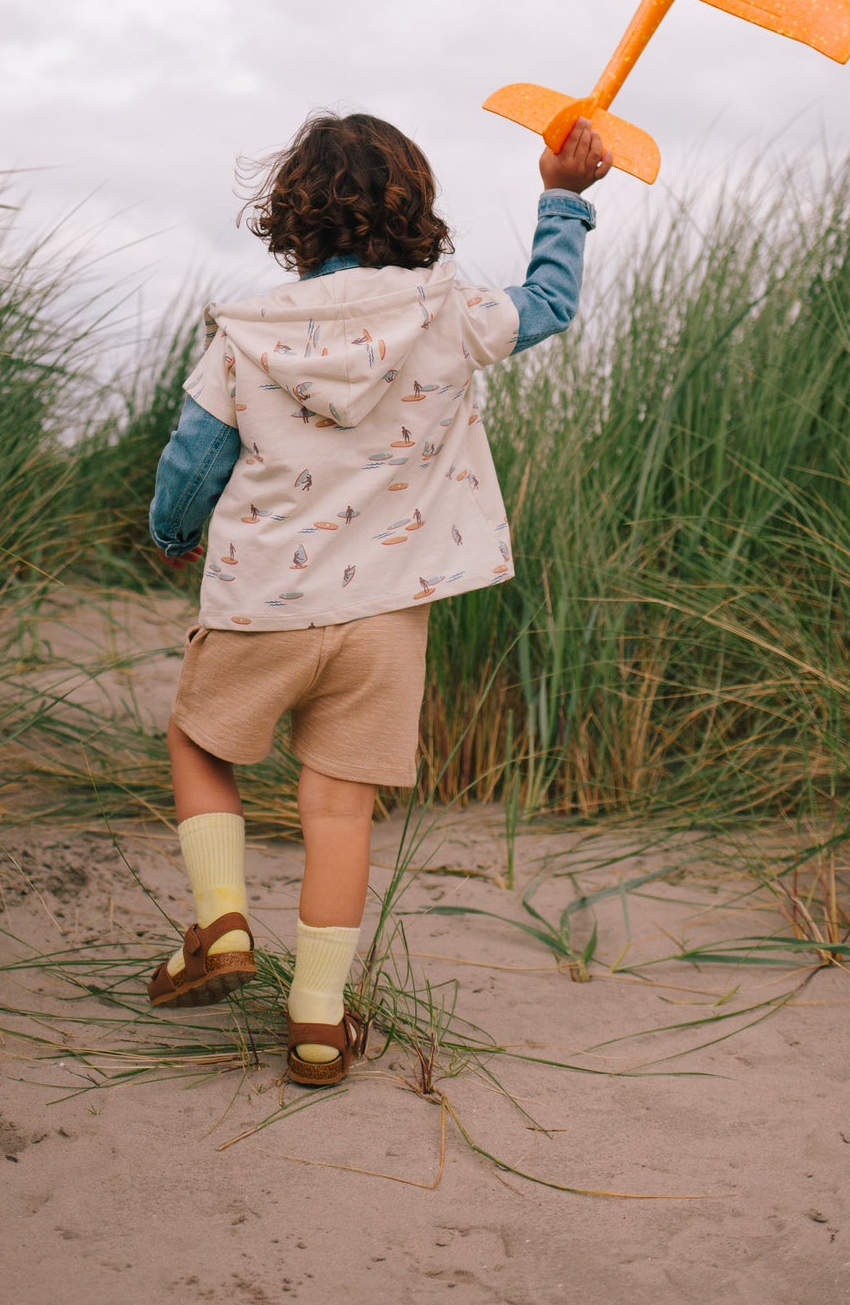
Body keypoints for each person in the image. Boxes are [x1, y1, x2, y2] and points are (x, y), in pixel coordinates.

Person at [145, 110, 609, 1084]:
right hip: (384, 616)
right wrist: (562, 197)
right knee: (337, 808)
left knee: (197, 740)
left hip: (258, 598)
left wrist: (175, 534)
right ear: (412, 206)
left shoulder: (246, 330)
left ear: (292, 220)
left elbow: (193, 460)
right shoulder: (447, 310)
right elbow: (549, 303)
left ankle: (221, 918)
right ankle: (316, 1019)